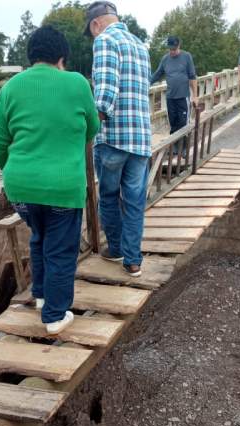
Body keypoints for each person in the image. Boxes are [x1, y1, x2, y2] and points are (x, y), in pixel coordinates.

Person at [0, 26, 100, 335]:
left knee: (39, 236)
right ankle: (54, 316)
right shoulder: (77, 84)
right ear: (62, 57)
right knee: (61, 250)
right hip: (63, 188)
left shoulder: (11, 87)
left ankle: (40, 295)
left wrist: (12, 170)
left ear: (31, 56)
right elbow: (92, 128)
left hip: (21, 189)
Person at [85, 1, 152, 278]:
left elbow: (105, 94)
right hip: (141, 138)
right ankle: (134, 261)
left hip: (113, 137)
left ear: (95, 24)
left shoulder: (104, 41)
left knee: (109, 197)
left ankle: (116, 249)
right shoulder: (140, 44)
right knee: (135, 200)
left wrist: (88, 127)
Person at [150, 36, 198, 147]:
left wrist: (195, 96)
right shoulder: (165, 59)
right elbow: (157, 74)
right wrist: (146, 82)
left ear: (179, 46)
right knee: (173, 124)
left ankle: (184, 148)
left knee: (183, 124)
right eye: (170, 49)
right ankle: (175, 148)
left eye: (174, 49)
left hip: (183, 96)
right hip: (170, 97)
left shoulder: (186, 57)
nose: (172, 52)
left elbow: (192, 77)